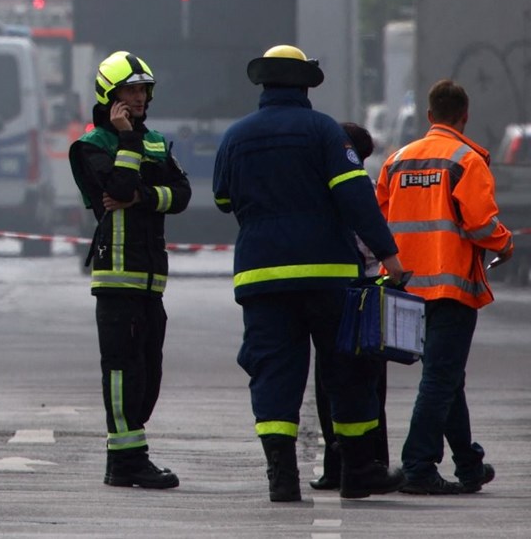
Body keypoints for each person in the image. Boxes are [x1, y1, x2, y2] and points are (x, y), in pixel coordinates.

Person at [213, 45, 406, 502]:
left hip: (261, 278)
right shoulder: (324, 132)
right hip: (327, 276)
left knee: (273, 373)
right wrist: (389, 256)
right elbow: (356, 197)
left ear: (264, 84)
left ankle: (282, 477)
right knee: (347, 371)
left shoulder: (236, 137)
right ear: (304, 85)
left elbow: (224, 200)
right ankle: (358, 471)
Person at [375, 78, 511, 495]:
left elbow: (377, 218)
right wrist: (504, 245)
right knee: (440, 377)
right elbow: (480, 223)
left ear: (429, 116)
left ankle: (469, 464)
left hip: (403, 289)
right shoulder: (467, 160)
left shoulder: (397, 161)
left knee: (447, 377)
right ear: (464, 117)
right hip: (450, 289)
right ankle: (418, 466)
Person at [68, 51, 192, 489]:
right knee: (122, 369)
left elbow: (180, 195)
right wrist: (127, 142)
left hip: (151, 277)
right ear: (110, 94)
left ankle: (127, 453)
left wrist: (141, 197)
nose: (139, 97)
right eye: (130, 90)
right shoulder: (90, 146)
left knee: (149, 370)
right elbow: (116, 186)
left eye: (143, 89)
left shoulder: (155, 140)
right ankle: (126, 461)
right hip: (116, 275)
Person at [309, 122, 389, 491]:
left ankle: (333, 465)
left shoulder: (315, 187)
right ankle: (371, 462)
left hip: (329, 289)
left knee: (328, 379)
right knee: (367, 381)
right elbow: (373, 242)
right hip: (366, 288)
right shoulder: (362, 188)